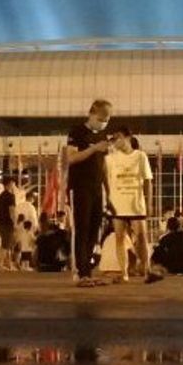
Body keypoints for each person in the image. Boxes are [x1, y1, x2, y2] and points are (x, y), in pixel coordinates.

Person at [66, 99, 113, 287]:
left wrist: (109, 191)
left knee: (95, 229)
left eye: (107, 120)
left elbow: (104, 168)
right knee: (81, 228)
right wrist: (93, 148)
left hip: (97, 188)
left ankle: (88, 271)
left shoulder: (102, 135)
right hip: (79, 186)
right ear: (92, 113)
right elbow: (71, 158)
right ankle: (80, 272)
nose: (104, 123)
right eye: (102, 118)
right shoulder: (77, 132)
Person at [104, 125, 154, 283]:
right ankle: (124, 273)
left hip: (136, 203)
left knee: (141, 237)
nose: (116, 141)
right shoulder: (110, 158)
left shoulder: (140, 156)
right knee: (119, 237)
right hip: (117, 203)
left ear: (127, 137)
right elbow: (106, 181)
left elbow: (148, 181)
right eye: (113, 138)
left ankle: (147, 270)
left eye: (118, 137)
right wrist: (107, 201)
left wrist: (149, 202)